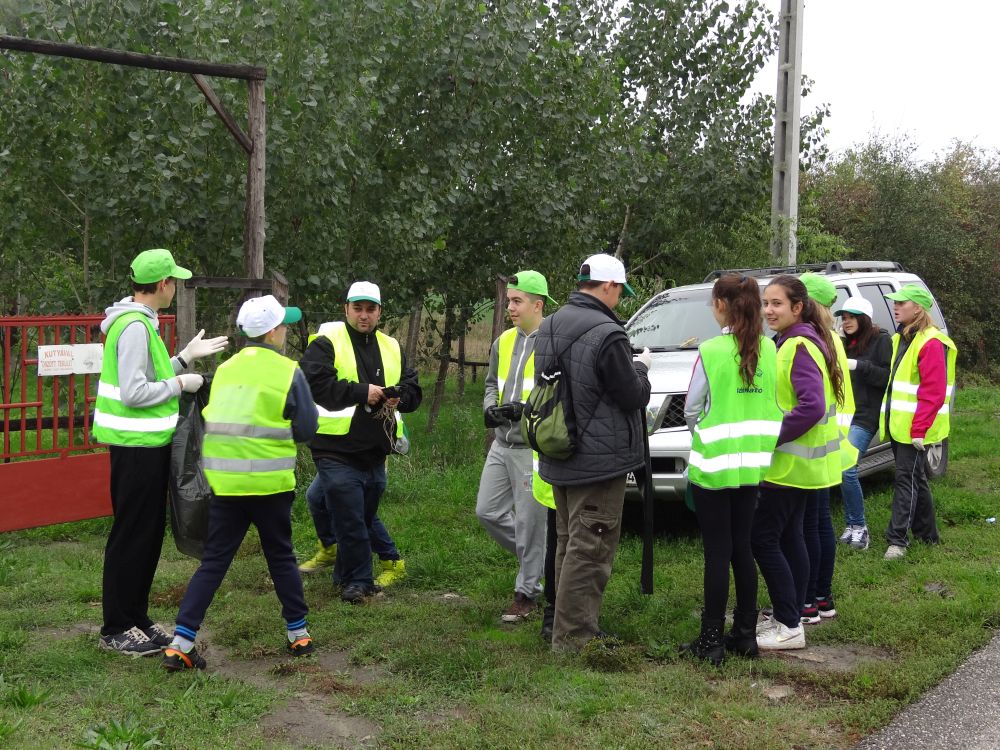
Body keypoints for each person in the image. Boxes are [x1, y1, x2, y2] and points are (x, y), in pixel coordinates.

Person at [163, 295, 319, 670]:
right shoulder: (288, 371)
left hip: (226, 486)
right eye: (283, 325)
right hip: (270, 486)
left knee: (214, 561)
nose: (284, 330)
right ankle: (298, 635)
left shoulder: (226, 370)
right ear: (273, 332)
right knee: (281, 556)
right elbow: (307, 428)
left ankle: (181, 642)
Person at [93, 248, 228, 656]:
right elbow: (135, 392)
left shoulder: (140, 321)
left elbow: (148, 375)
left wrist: (183, 358)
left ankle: (137, 618)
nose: (176, 288)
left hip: (146, 446)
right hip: (135, 447)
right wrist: (182, 383)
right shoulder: (135, 326)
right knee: (132, 535)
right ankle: (116, 627)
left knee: (147, 535)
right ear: (163, 284)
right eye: (175, 281)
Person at [533, 253, 651, 652]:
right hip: (597, 462)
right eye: (620, 291)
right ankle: (574, 638)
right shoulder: (608, 332)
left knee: (569, 542)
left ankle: (563, 626)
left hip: (559, 448)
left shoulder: (550, 324)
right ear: (609, 286)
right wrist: (642, 368)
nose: (619, 299)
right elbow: (631, 395)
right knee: (591, 547)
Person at [681, 273, 782, 665]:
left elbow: (692, 409)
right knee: (742, 547)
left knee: (717, 551)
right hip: (752, 465)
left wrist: (705, 433)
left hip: (714, 466)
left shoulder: (710, 350)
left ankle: (711, 640)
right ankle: (745, 634)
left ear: (721, 305)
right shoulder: (770, 349)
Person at [300, 281, 422, 603]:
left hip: (376, 449)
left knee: (358, 514)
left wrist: (400, 397)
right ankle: (360, 582)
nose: (364, 315)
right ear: (346, 309)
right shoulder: (327, 342)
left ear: (380, 312)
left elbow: (413, 388)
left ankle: (341, 569)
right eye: (358, 308)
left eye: (370, 309)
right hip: (334, 446)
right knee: (350, 514)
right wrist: (360, 392)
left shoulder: (392, 346)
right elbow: (313, 383)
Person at [754, 275, 854, 651]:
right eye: (766, 303)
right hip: (797, 467)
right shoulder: (795, 339)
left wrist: (770, 437)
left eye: (777, 303)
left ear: (798, 307)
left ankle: (789, 624)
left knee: (763, 539)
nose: (768, 310)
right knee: (789, 537)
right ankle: (791, 616)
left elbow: (811, 406)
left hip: (789, 466)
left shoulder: (797, 344)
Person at [477, 271, 555, 623]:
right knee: (487, 512)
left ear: (537, 305)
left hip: (532, 447)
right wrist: (489, 408)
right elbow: (491, 384)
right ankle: (540, 559)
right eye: (509, 300)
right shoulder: (503, 341)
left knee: (530, 523)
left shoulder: (553, 342)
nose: (509, 307)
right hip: (501, 442)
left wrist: (526, 410)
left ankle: (527, 592)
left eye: (516, 301)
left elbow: (557, 393)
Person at [881, 284, 957, 560]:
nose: (895, 306)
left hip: (915, 429)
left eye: (902, 302)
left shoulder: (931, 342)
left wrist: (919, 429)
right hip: (899, 425)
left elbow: (933, 392)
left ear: (918, 309)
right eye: (895, 302)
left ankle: (897, 541)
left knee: (905, 480)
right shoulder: (901, 337)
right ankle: (928, 535)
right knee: (915, 478)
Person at [796, 273, 856, 625]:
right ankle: (822, 598)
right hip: (830, 443)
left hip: (811, 445)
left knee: (807, 526)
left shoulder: (810, 339)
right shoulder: (830, 336)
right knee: (819, 523)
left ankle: (806, 602)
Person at [834, 297, 892, 550]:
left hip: (866, 415)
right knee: (839, 468)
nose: (846, 322)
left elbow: (886, 377)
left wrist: (859, 365)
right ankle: (851, 525)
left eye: (852, 317)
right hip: (845, 415)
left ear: (864, 319)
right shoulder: (845, 344)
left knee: (847, 468)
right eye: (844, 317)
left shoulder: (881, 340)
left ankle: (859, 527)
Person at [298, 477, 404, 590]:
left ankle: (392, 563)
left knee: (359, 509)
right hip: (335, 465)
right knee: (316, 497)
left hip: (364, 467)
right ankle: (330, 549)